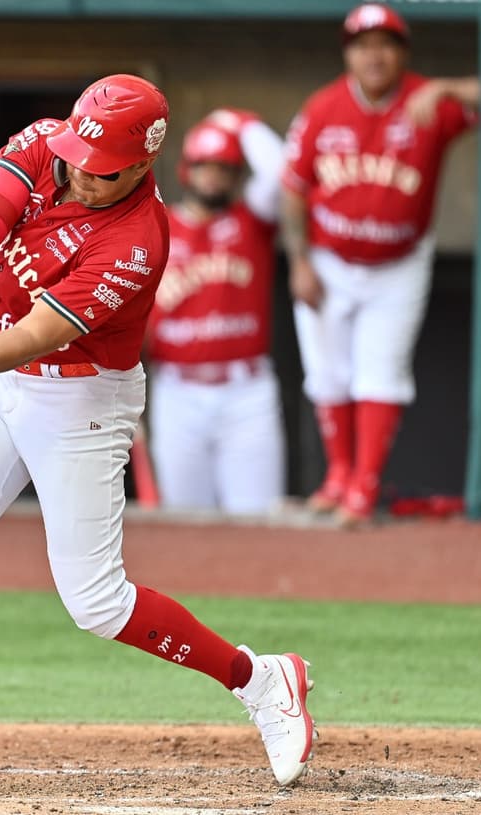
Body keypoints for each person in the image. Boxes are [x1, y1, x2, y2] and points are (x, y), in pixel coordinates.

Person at [0, 75, 316, 797]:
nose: (81, 172)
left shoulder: (138, 241)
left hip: (81, 398)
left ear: (145, 165)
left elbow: (39, 334)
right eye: (79, 155)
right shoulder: (48, 141)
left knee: (97, 602)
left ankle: (260, 678)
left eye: (103, 168)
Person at [282, 2, 481, 526]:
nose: (375, 55)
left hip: (399, 262)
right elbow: (293, 190)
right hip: (328, 260)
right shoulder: (323, 108)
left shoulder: (426, 101)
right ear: (348, 54)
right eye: (363, 45)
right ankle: (338, 476)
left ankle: (363, 487)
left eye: (386, 45)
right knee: (327, 372)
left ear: (402, 54)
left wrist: (445, 88)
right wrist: (299, 261)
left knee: (382, 374)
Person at [146, 108, 287, 514]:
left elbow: (281, 172)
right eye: (204, 166)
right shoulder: (159, 227)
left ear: (237, 175)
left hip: (247, 391)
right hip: (177, 390)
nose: (213, 176)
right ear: (186, 170)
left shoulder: (252, 221)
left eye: (224, 167)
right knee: (185, 522)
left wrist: (239, 122)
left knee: (256, 518)